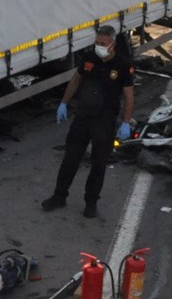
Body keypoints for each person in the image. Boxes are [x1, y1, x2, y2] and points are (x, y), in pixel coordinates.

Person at [42, 25, 135, 218]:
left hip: (105, 120)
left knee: (98, 163)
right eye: (97, 43)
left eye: (103, 43)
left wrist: (126, 121)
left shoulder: (122, 65)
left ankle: (91, 202)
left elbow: (129, 96)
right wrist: (64, 103)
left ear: (112, 44)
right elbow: (76, 80)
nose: (99, 46)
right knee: (70, 159)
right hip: (83, 116)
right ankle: (59, 196)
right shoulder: (89, 59)